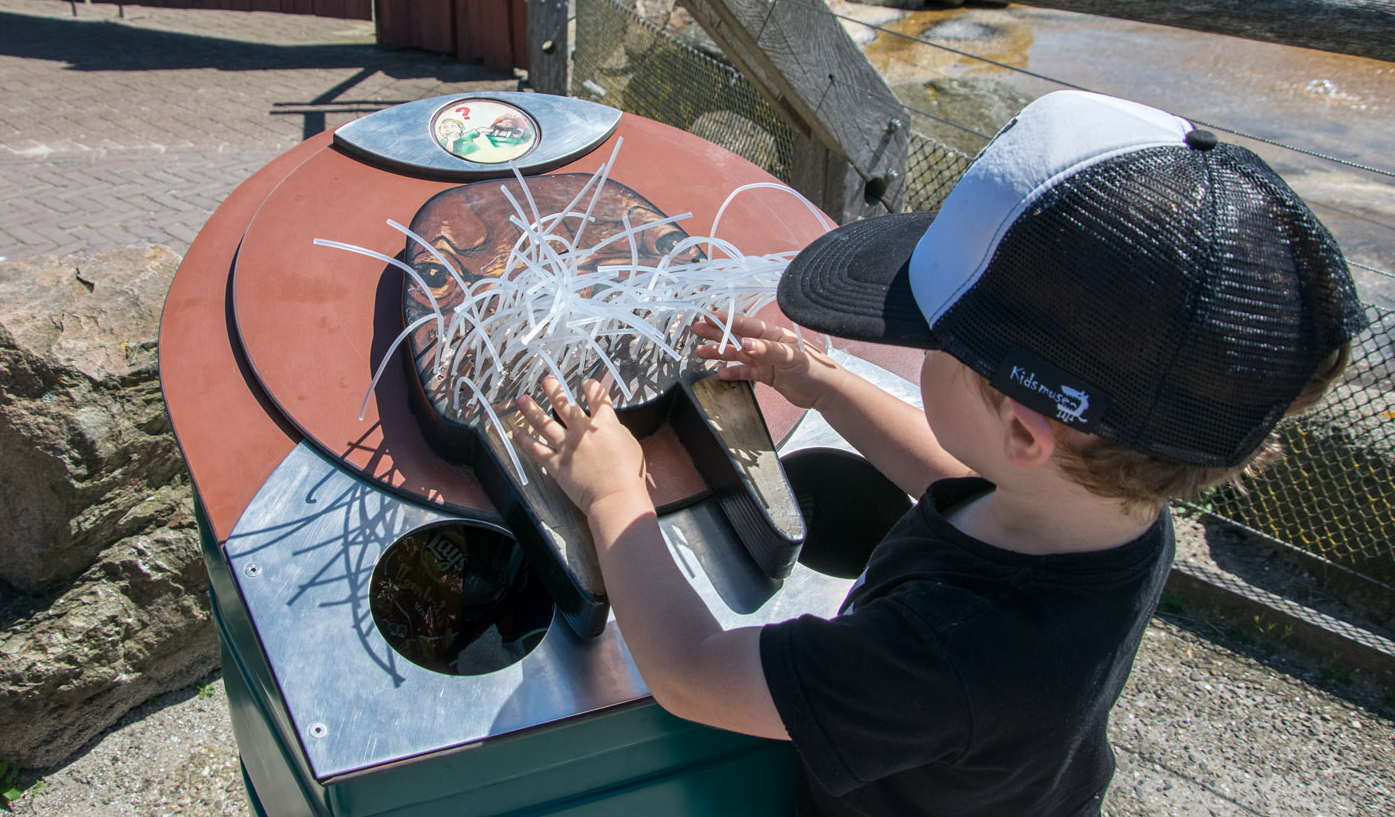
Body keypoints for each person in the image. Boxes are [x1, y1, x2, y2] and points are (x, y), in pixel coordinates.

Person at [512, 90, 1364, 816]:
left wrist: (614, 494)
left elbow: (693, 673)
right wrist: (820, 382)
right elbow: (962, 483)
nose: (907, 347)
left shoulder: (947, 656)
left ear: (1025, 431)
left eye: (931, 342)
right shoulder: (1124, 515)